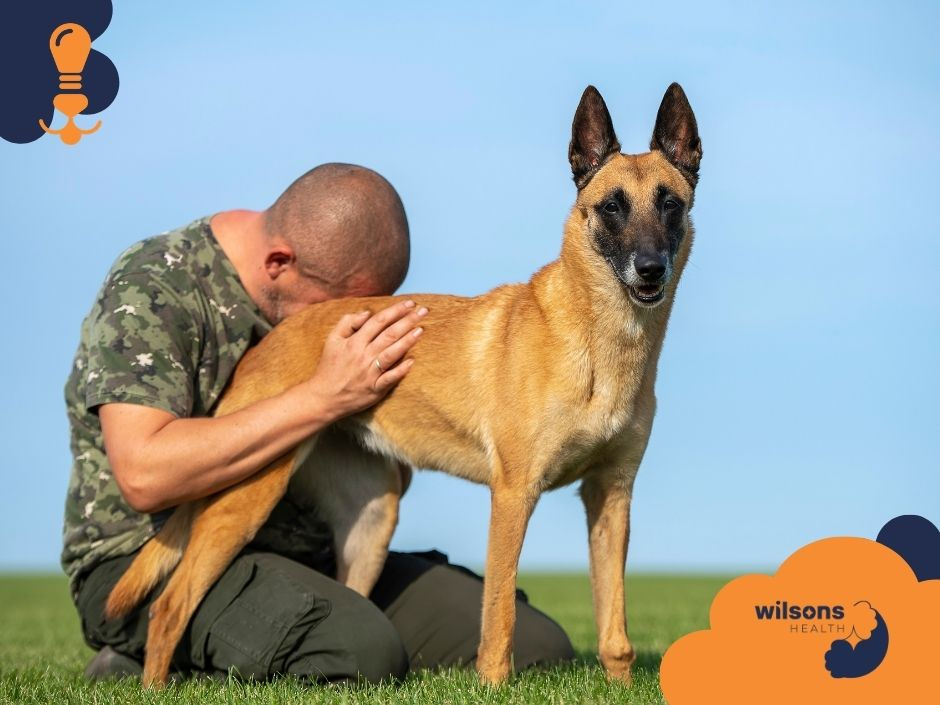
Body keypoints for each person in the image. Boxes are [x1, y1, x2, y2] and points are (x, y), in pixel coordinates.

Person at [63, 163, 575, 683]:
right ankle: (144, 661)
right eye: (344, 307)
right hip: (140, 559)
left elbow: (382, 472)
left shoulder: (319, 276)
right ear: (280, 262)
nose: (352, 327)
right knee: (361, 655)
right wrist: (323, 397)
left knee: (539, 647)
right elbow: (144, 475)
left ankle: (317, 631)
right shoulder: (154, 285)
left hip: (309, 556)